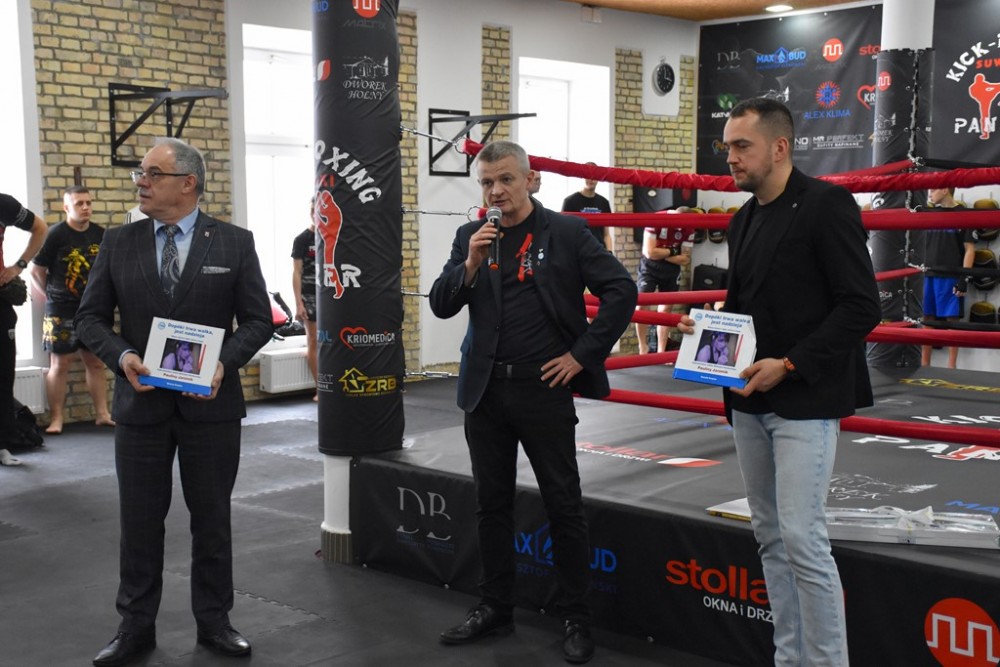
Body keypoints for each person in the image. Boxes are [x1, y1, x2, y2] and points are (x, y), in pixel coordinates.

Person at [678, 98, 880, 667]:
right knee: (770, 537)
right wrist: (707, 330)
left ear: (780, 147)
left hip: (805, 399)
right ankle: (789, 659)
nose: (730, 157)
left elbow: (861, 305)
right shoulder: (743, 218)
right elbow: (747, 308)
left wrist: (789, 364)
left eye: (742, 146)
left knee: (802, 540)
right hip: (748, 400)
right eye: (727, 146)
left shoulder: (826, 205)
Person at [429, 140, 636, 665]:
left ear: (531, 180)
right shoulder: (472, 237)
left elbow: (621, 290)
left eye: (506, 179)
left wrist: (581, 355)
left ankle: (576, 616)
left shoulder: (566, 232)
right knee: (490, 503)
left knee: (563, 503)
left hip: (543, 389)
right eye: (486, 182)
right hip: (486, 390)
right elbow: (442, 304)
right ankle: (495, 606)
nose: (496, 191)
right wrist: (470, 263)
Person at [76, 137, 273, 666]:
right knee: (139, 524)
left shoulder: (234, 243)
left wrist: (223, 362)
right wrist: (122, 356)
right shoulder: (119, 241)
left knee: (212, 521)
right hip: (140, 407)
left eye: (152, 173)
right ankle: (135, 627)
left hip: (211, 407)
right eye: (140, 173)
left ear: (188, 183)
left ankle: (215, 622)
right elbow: (89, 318)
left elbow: (258, 320)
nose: (140, 181)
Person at [29, 185, 114, 434]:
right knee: (60, 364)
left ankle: (102, 414)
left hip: (93, 309)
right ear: (67, 207)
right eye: (79, 203)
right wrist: (50, 295)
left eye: (88, 202)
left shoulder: (101, 234)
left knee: (96, 362)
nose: (86, 207)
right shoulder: (55, 235)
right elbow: (35, 271)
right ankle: (57, 419)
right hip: (60, 310)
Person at [0, 193, 47, 467]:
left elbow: (40, 228)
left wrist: (18, 266)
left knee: (3, 376)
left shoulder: (3, 204)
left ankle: (3, 445)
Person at [921, 187, 974, 369]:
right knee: (927, 318)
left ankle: (952, 368)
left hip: (951, 275)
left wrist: (964, 278)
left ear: (944, 189)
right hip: (928, 273)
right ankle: (925, 366)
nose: (929, 193)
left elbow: (969, 249)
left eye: (933, 189)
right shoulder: (927, 213)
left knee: (952, 320)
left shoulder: (963, 214)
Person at [634, 207, 694, 354]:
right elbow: (649, 252)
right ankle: (643, 347)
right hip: (649, 267)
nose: (682, 228)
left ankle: (661, 351)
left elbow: (685, 259)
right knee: (641, 305)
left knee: (666, 310)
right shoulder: (656, 219)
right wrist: (673, 251)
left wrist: (660, 253)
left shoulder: (690, 227)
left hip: (671, 270)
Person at [291, 200, 318, 399]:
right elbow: (297, 272)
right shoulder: (302, 239)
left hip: (332, 295)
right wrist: (299, 303)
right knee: (314, 340)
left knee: (334, 342)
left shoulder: (334, 237)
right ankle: (320, 388)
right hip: (309, 296)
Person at [561, 163, 612, 248]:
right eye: (587, 175)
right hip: (579, 251)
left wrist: (610, 252)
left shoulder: (604, 202)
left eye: (594, 175)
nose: (591, 179)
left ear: (599, 178)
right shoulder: (570, 201)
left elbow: (606, 234)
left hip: (599, 250)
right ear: (582, 177)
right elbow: (564, 233)